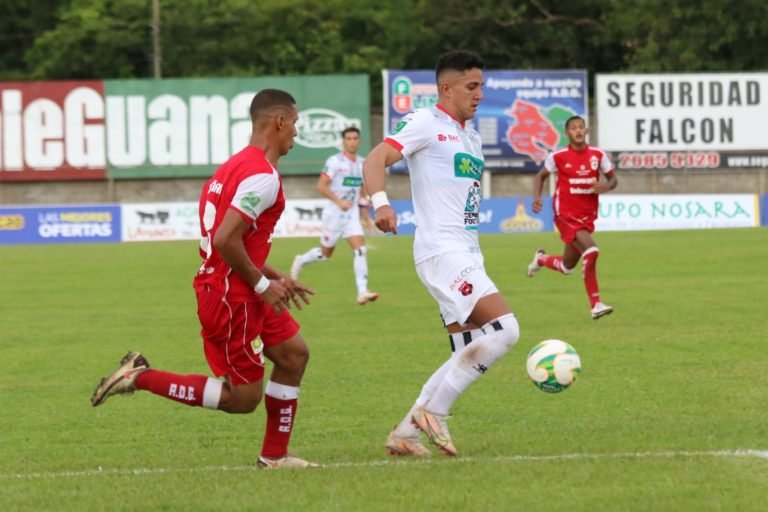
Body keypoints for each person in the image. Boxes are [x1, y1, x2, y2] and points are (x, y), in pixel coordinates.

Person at [90, 89, 319, 469]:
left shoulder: (231, 168)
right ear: (279, 122)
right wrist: (264, 285)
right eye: (295, 124)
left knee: (294, 355)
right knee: (242, 399)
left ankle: (274, 457)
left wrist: (272, 274)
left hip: (239, 287)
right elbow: (224, 239)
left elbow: (231, 242)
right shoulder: (262, 176)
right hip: (235, 298)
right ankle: (140, 376)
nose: (296, 132)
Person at [363, 50, 520, 457]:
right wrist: (381, 202)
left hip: (466, 250)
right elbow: (376, 157)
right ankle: (436, 412)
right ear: (446, 88)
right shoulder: (424, 122)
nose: (480, 94)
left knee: (464, 349)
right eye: (472, 86)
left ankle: (405, 433)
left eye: (482, 85)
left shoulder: (469, 135)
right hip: (442, 251)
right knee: (506, 330)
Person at [527, 115, 618, 320]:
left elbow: (613, 179)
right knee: (592, 251)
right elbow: (540, 176)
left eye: (581, 127)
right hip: (565, 214)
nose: (578, 131)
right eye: (573, 128)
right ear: (567, 133)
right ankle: (595, 304)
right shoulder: (558, 156)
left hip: (586, 216)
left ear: (586, 131)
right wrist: (537, 198)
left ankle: (541, 259)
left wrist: (606, 186)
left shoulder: (597, 155)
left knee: (567, 267)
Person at [290, 126, 379, 305]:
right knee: (325, 254)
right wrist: (339, 202)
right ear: (343, 142)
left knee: (360, 250)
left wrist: (363, 210)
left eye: (355, 138)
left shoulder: (363, 163)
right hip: (334, 215)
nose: (352, 141)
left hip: (351, 215)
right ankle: (301, 259)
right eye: (349, 138)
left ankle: (362, 292)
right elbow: (321, 185)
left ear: (359, 141)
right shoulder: (335, 161)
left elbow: (362, 188)